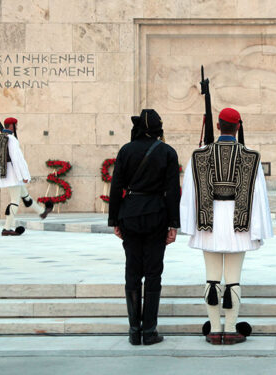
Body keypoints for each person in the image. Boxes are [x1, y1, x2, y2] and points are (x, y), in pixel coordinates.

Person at [180, 107, 273, 345]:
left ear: (218, 126)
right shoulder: (251, 156)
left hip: (208, 222)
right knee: (233, 279)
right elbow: (258, 195)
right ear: (238, 127)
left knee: (211, 279)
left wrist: (190, 224)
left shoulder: (199, 154)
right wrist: (259, 228)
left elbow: (190, 193)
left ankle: (213, 329)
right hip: (238, 225)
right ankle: (230, 329)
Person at [108, 109, 181, 346]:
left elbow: (116, 185)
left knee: (132, 270)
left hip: (130, 213)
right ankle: (149, 331)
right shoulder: (167, 152)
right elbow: (172, 191)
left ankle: (133, 331)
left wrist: (114, 220)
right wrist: (173, 224)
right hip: (156, 215)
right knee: (153, 273)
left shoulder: (126, 150)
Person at [0, 117, 53, 236]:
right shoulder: (11, 139)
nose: (17, 127)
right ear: (11, 126)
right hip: (13, 174)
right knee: (15, 201)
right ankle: (6, 228)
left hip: (6, 173)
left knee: (25, 195)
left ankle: (42, 212)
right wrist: (24, 175)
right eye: (16, 125)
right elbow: (17, 160)